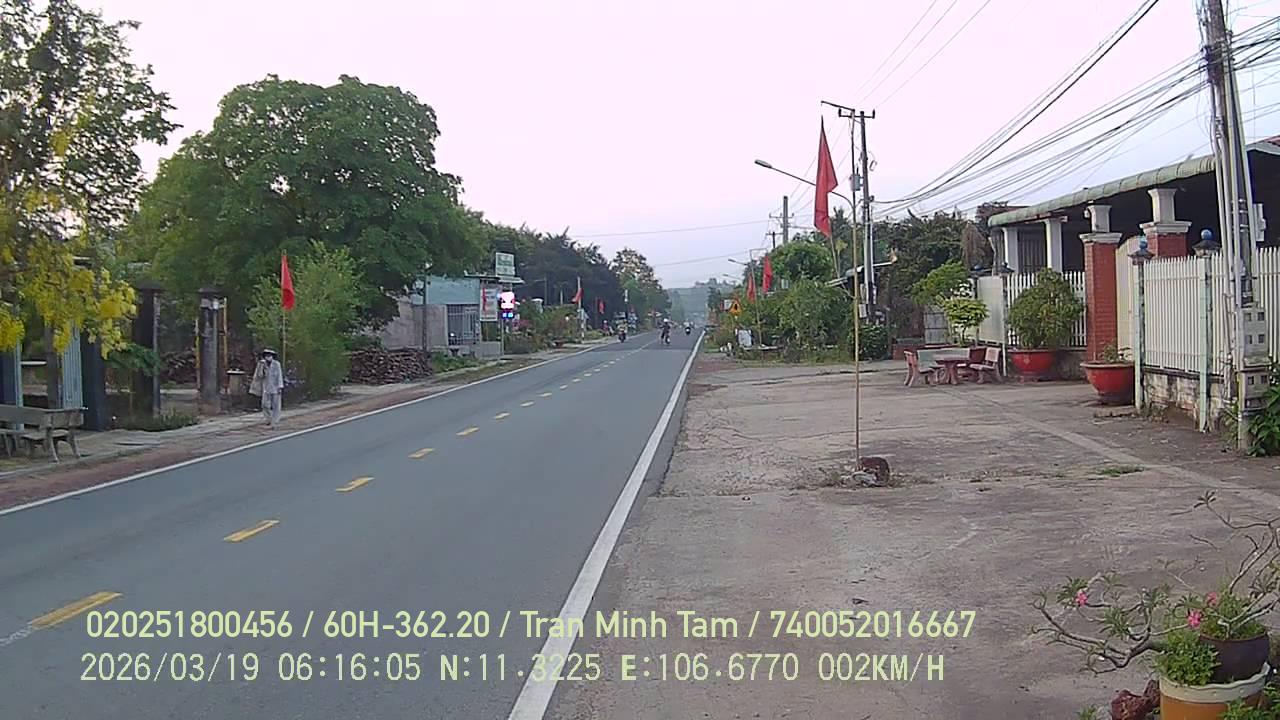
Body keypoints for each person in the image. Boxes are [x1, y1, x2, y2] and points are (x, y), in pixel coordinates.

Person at [249, 348, 285, 428]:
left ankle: (275, 421)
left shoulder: (276, 364)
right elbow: (259, 376)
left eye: (269, 355)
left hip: (275, 387)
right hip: (266, 387)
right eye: (266, 355)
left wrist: (280, 387)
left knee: (276, 405)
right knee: (264, 404)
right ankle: (268, 418)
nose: (268, 357)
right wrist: (262, 367)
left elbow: (279, 376)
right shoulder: (262, 364)